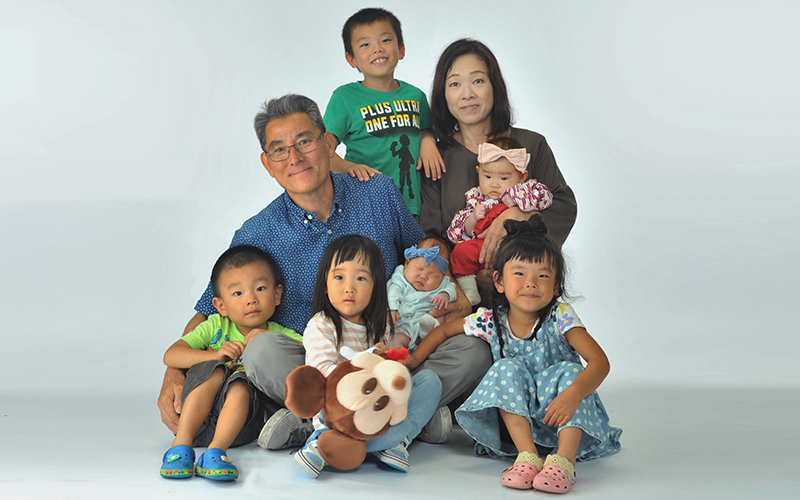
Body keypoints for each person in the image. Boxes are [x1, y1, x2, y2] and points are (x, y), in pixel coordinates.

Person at [157, 94, 485, 453]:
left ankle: (327, 424)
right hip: (315, 362)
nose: (294, 158)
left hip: (387, 352)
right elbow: (210, 309)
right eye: (279, 150)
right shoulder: (257, 233)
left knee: (473, 350)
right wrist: (175, 374)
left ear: (328, 143)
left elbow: (425, 254)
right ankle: (401, 418)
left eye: (304, 142)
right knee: (261, 350)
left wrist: (457, 296)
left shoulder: (377, 193)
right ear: (267, 164)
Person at [406, 217, 621, 494]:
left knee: (571, 372)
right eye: (519, 273)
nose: (531, 283)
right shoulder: (491, 320)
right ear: (499, 281)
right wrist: (415, 359)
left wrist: (573, 395)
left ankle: (564, 461)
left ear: (556, 286)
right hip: (520, 422)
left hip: (563, 415)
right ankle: (527, 456)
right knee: (505, 368)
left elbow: (600, 362)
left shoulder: (560, 316)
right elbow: (444, 331)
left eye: (542, 276)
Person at [420, 38, 578, 300]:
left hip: (527, 293)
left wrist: (519, 216)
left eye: (478, 80)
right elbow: (430, 236)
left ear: (495, 86)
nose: (467, 94)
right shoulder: (435, 158)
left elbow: (563, 206)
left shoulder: (531, 145)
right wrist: (470, 276)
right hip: (461, 299)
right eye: (455, 84)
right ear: (442, 94)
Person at [294, 234, 442, 478]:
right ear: (325, 285)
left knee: (429, 381)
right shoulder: (322, 324)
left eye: (361, 278)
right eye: (339, 277)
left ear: (375, 287)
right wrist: (368, 362)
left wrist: (389, 363)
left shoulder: (379, 328)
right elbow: (324, 374)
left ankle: (388, 442)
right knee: (329, 399)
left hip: (378, 416)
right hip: (340, 418)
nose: (349, 288)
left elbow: (390, 377)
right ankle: (327, 442)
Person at [159, 245, 296, 481]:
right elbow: (171, 355)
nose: (251, 299)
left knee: (240, 384)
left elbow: (310, 355)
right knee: (214, 370)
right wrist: (213, 356)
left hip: (241, 427)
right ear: (220, 305)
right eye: (238, 293)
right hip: (195, 420)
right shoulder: (215, 326)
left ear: (277, 294)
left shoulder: (279, 334)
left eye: (260, 289)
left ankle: (216, 453)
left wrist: (271, 340)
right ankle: (180, 445)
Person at [324, 7, 446, 217]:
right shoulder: (344, 97)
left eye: (386, 40)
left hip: (412, 206)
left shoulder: (415, 96)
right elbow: (323, 151)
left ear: (401, 50)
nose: (377, 49)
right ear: (351, 59)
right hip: (366, 205)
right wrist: (348, 167)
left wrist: (428, 142)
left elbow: (426, 130)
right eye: (365, 44)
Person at [447, 136, 553, 305]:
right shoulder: (476, 198)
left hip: (514, 246)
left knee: (523, 262)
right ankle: (470, 292)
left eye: (503, 178)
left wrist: (516, 200)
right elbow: (460, 232)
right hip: (482, 246)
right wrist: (473, 217)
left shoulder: (524, 191)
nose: (495, 184)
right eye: (488, 176)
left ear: (522, 176)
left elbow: (545, 197)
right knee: (460, 251)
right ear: (478, 171)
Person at [388, 237, 457, 350]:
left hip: (414, 325)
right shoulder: (400, 279)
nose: (423, 276)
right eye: (419, 269)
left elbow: (452, 288)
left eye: (433, 275)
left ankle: (426, 332)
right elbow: (392, 293)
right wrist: (392, 308)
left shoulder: (442, 284)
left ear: (442, 277)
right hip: (397, 319)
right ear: (407, 263)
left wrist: (445, 294)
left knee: (440, 314)